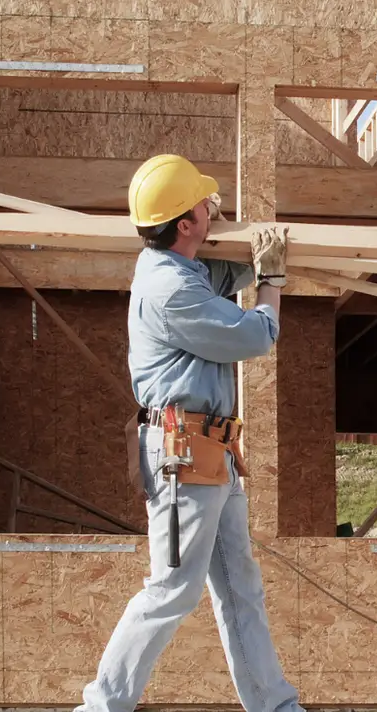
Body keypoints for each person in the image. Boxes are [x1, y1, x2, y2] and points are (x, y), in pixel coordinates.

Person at [75, 154, 303, 712]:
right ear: (183, 223)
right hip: (184, 454)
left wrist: (253, 259)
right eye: (203, 204)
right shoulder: (170, 291)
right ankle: (100, 707)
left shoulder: (182, 272)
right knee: (172, 589)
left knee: (239, 588)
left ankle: (276, 707)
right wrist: (271, 279)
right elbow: (254, 334)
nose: (211, 208)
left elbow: (220, 275)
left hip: (212, 451)